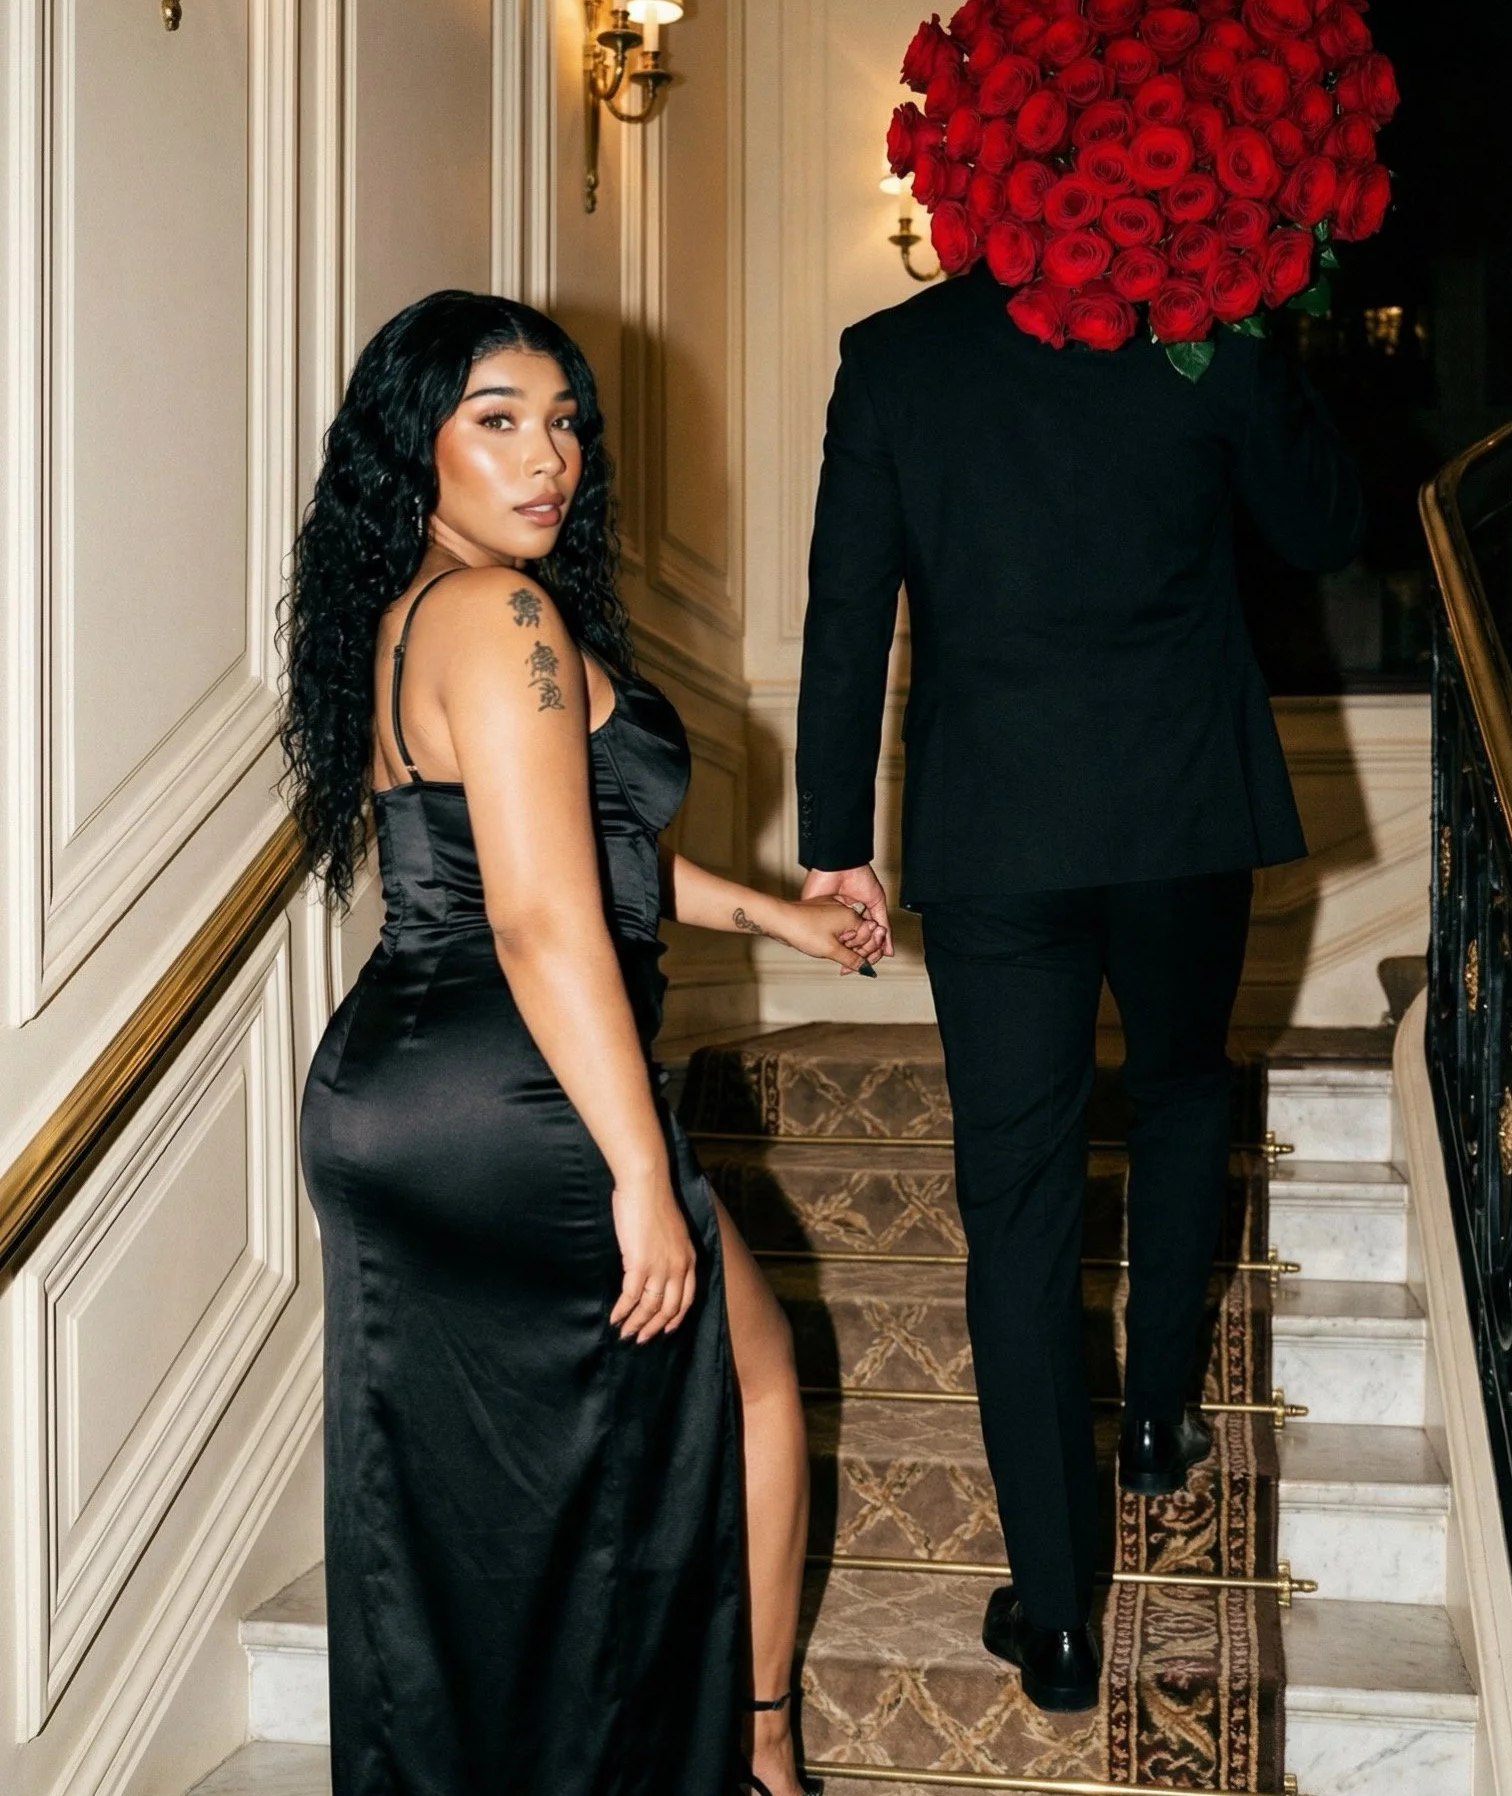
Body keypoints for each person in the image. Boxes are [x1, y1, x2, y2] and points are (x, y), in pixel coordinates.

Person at [282, 290, 878, 1794]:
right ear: (411, 446)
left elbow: (570, 848)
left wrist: (773, 919)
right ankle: (756, 1751)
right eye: (498, 421)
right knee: (744, 1381)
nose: (547, 457)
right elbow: (548, 924)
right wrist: (636, 1169)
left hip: (407, 1085)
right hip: (517, 1082)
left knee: (482, 1495)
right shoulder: (503, 613)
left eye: (563, 424)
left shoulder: (417, 604)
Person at [794, 262, 1364, 1713]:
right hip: (1181, 809)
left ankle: (1055, 1617)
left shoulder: (895, 355)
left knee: (1019, 1203)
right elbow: (1325, 526)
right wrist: (1259, 331)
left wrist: (832, 847)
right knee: (1178, 1091)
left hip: (996, 830)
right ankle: (1162, 1418)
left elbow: (846, 607)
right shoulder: (1198, 327)